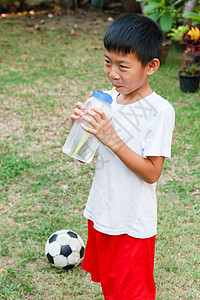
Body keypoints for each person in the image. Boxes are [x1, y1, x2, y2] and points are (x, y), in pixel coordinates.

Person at [71, 14, 175, 300]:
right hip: (103, 212)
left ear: (151, 66)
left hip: (130, 223)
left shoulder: (159, 111)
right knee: (112, 289)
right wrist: (79, 129)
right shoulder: (106, 99)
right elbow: (84, 157)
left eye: (123, 66)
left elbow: (152, 172)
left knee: (131, 293)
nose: (113, 73)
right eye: (107, 62)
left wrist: (112, 139)